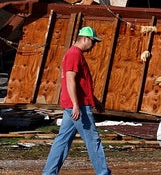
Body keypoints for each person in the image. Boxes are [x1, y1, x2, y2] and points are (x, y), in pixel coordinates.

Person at [42, 25, 111, 175]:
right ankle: (103, 173)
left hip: (73, 104)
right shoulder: (75, 54)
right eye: (93, 42)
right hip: (78, 106)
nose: (93, 46)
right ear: (85, 39)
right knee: (93, 140)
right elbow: (70, 80)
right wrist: (76, 105)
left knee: (63, 140)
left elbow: (81, 84)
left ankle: (49, 173)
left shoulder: (74, 54)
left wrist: (95, 100)